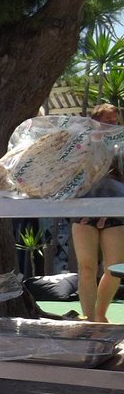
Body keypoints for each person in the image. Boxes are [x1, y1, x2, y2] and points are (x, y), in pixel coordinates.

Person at [71, 102, 124, 322]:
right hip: (84, 210)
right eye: (105, 121)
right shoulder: (81, 146)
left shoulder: (122, 146)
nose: (111, 124)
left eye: (115, 121)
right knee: (86, 266)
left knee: (115, 268)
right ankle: (90, 319)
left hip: (116, 209)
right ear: (95, 122)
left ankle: (101, 315)